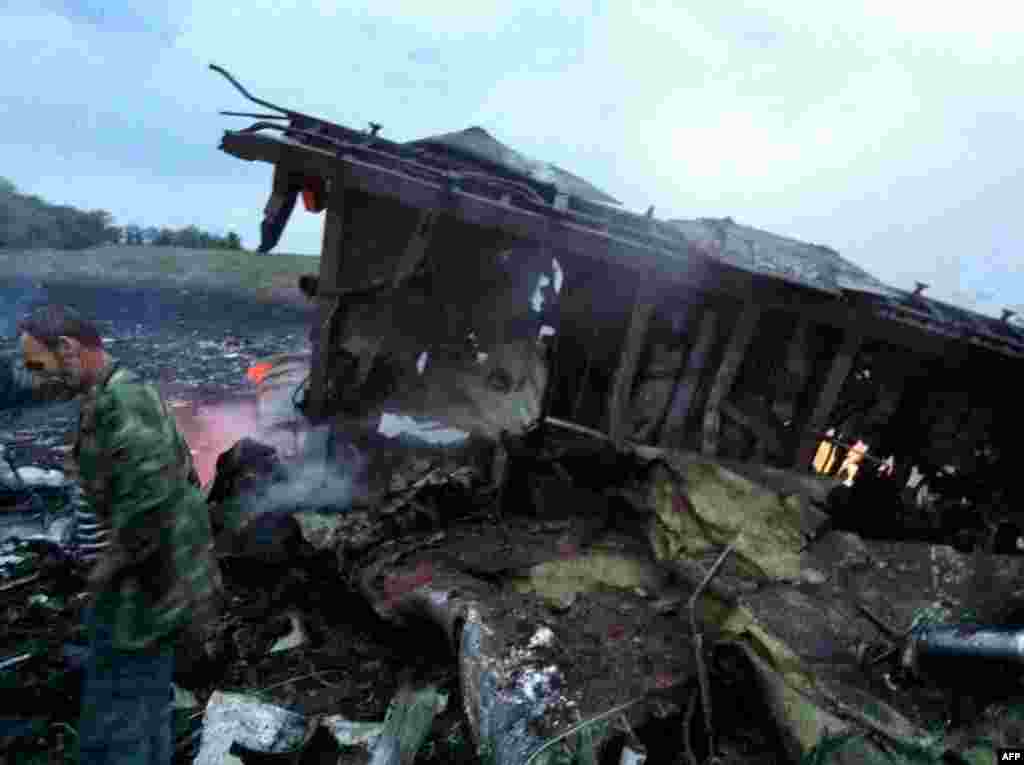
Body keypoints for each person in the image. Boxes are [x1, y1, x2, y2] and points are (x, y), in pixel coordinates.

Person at [7, 305, 222, 764]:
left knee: (120, 720)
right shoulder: (102, 399)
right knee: (138, 715)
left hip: (142, 594)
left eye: (36, 366)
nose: (35, 379)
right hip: (133, 587)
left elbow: (150, 509)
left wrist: (101, 574)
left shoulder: (125, 402)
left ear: (67, 349)